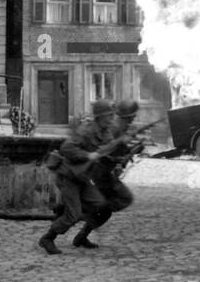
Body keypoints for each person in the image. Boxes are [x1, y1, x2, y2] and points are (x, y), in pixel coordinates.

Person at [38, 100, 114, 255]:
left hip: (83, 178)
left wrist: (121, 157)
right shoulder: (85, 130)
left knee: (103, 207)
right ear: (100, 117)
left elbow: (109, 153)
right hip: (69, 177)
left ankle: (81, 237)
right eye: (109, 115)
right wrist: (88, 155)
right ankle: (48, 238)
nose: (111, 118)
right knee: (74, 215)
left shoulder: (106, 133)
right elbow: (66, 148)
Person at [71, 98, 140, 249]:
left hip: (104, 172)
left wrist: (130, 150)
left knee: (108, 210)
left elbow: (116, 152)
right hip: (100, 173)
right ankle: (85, 212)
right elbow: (104, 151)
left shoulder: (120, 127)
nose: (133, 119)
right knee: (124, 198)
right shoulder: (115, 128)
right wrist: (121, 153)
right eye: (132, 116)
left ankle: (82, 235)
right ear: (130, 116)